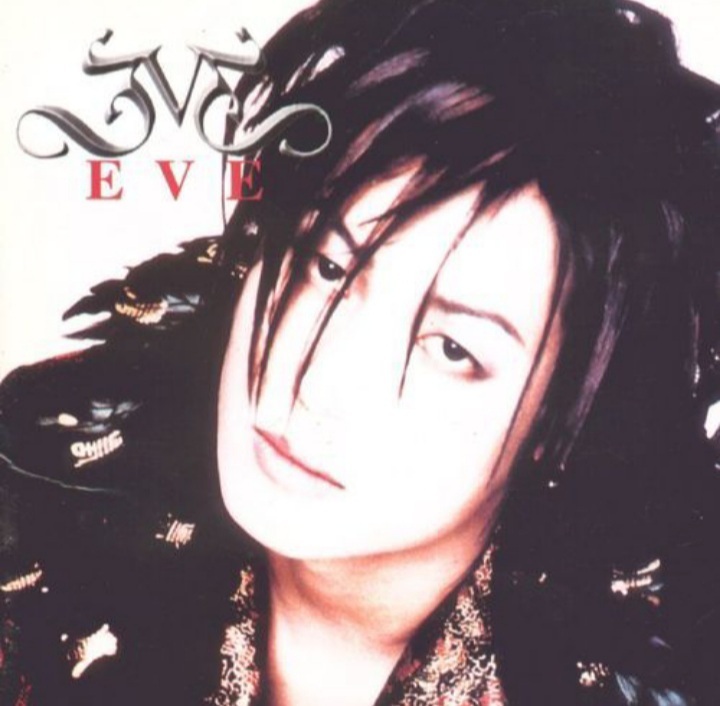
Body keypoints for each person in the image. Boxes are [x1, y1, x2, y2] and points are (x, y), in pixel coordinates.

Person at [2, 0, 720, 704]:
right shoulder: (34, 521)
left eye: (452, 348)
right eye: (327, 267)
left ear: (561, 422)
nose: (323, 379)